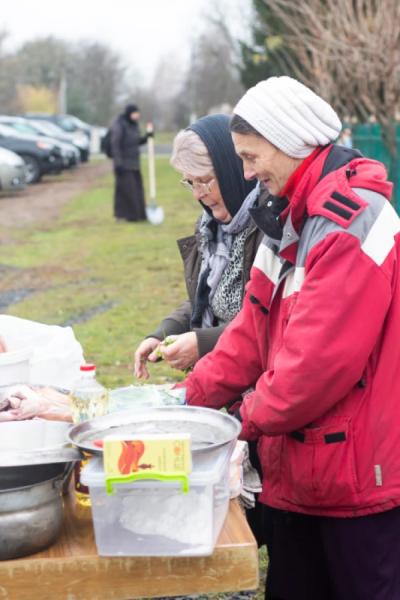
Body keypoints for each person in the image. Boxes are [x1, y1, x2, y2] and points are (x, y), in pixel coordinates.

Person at [180, 76, 400, 600]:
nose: (247, 171)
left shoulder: (349, 220)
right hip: (304, 473)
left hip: (356, 482)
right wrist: (188, 402)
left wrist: (234, 423)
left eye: (252, 156)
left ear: (290, 143)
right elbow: (250, 331)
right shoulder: (285, 217)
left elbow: (314, 367)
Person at [134, 113, 262, 378]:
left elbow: (267, 324)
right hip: (223, 382)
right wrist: (165, 332)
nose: (196, 194)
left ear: (231, 170)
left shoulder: (268, 229)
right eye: (190, 183)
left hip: (258, 386)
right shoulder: (210, 228)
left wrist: (203, 343)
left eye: (204, 181)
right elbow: (205, 300)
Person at [111, 103, 151, 222]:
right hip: (123, 164)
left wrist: (146, 138)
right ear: (129, 113)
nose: (137, 115)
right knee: (127, 190)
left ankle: (138, 215)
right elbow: (115, 144)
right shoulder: (120, 125)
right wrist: (118, 163)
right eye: (135, 113)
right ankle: (125, 216)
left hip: (134, 163)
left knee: (137, 189)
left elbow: (135, 141)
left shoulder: (134, 126)